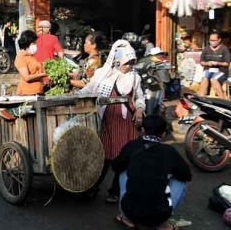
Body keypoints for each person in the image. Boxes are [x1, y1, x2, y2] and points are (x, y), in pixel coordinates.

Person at [80, 40, 145, 203]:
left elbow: (139, 97)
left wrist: (139, 109)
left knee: (123, 157)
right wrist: (74, 96)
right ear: (117, 61)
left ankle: (114, 191)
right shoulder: (104, 74)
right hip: (108, 120)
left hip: (127, 122)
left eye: (131, 63)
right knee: (105, 156)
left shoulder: (135, 78)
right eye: (126, 63)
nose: (128, 66)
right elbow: (89, 89)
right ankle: (93, 187)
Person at [113, 114, 192, 230]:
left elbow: (115, 166)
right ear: (164, 133)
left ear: (143, 130)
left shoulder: (132, 145)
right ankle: (163, 225)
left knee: (123, 169)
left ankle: (126, 218)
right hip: (158, 217)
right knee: (180, 180)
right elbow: (187, 175)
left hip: (130, 211)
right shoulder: (169, 151)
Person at [198, 31, 231, 98]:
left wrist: (217, 63)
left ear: (219, 40)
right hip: (208, 69)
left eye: (214, 40)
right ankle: (201, 98)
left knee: (214, 79)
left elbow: (227, 63)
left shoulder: (224, 49)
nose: (212, 42)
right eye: (211, 40)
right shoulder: (206, 49)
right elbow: (201, 62)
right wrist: (207, 63)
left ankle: (222, 100)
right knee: (204, 79)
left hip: (221, 71)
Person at [14, 30, 46, 96]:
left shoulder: (31, 56)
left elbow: (35, 70)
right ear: (26, 43)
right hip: (27, 93)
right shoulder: (21, 57)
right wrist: (44, 74)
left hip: (38, 92)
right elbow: (27, 78)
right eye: (33, 43)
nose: (35, 45)